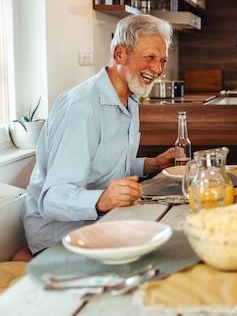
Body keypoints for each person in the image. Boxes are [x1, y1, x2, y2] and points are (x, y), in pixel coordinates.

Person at [23, 14, 177, 255]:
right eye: (150, 57)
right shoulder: (82, 108)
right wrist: (103, 199)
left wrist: (151, 164)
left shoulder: (130, 98)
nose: (158, 69)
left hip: (103, 222)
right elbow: (53, 199)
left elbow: (102, 162)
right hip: (61, 237)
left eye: (163, 60)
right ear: (119, 54)